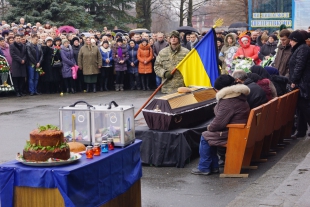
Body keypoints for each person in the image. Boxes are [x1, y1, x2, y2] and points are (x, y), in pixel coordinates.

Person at [191, 75, 250, 175]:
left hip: (233, 132)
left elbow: (218, 123)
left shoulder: (228, 102)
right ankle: (213, 167)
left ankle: (204, 167)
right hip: (239, 130)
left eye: (216, 89)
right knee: (210, 135)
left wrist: (210, 127)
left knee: (205, 136)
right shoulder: (239, 96)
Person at [288, 31, 310, 139]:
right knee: (301, 108)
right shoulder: (299, 48)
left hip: (303, 83)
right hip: (302, 82)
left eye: (291, 40)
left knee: (304, 106)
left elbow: (299, 67)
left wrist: (294, 81)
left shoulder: (302, 49)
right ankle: (301, 130)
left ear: (296, 40)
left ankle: (301, 130)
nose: (290, 42)